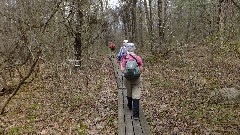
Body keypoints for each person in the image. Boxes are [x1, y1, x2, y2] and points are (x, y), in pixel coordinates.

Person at [121, 43, 143, 120]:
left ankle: (130, 105)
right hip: (136, 79)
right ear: (134, 49)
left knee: (129, 92)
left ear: (127, 49)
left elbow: (122, 70)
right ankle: (136, 115)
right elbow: (141, 69)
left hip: (127, 79)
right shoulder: (138, 58)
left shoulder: (125, 58)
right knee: (136, 94)